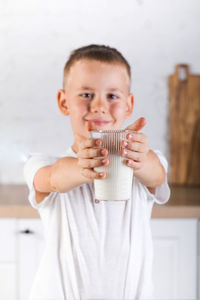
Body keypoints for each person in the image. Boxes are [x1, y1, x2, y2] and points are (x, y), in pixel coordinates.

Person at [24, 44, 170, 300]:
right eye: (86, 94)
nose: (100, 106)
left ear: (129, 104)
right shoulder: (42, 164)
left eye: (112, 96)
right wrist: (85, 166)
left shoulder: (144, 162)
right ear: (63, 102)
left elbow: (157, 174)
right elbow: (53, 179)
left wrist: (135, 155)